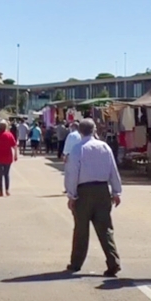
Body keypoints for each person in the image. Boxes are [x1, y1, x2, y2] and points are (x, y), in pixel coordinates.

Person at [64, 119, 123, 277]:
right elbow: (113, 170)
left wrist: (71, 194)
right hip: (103, 190)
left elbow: (72, 173)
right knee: (105, 229)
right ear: (94, 129)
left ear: (80, 131)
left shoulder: (77, 149)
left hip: (84, 192)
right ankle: (113, 262)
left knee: (81, 229)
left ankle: (76, 263)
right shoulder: (104, 147)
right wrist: (116, 191)